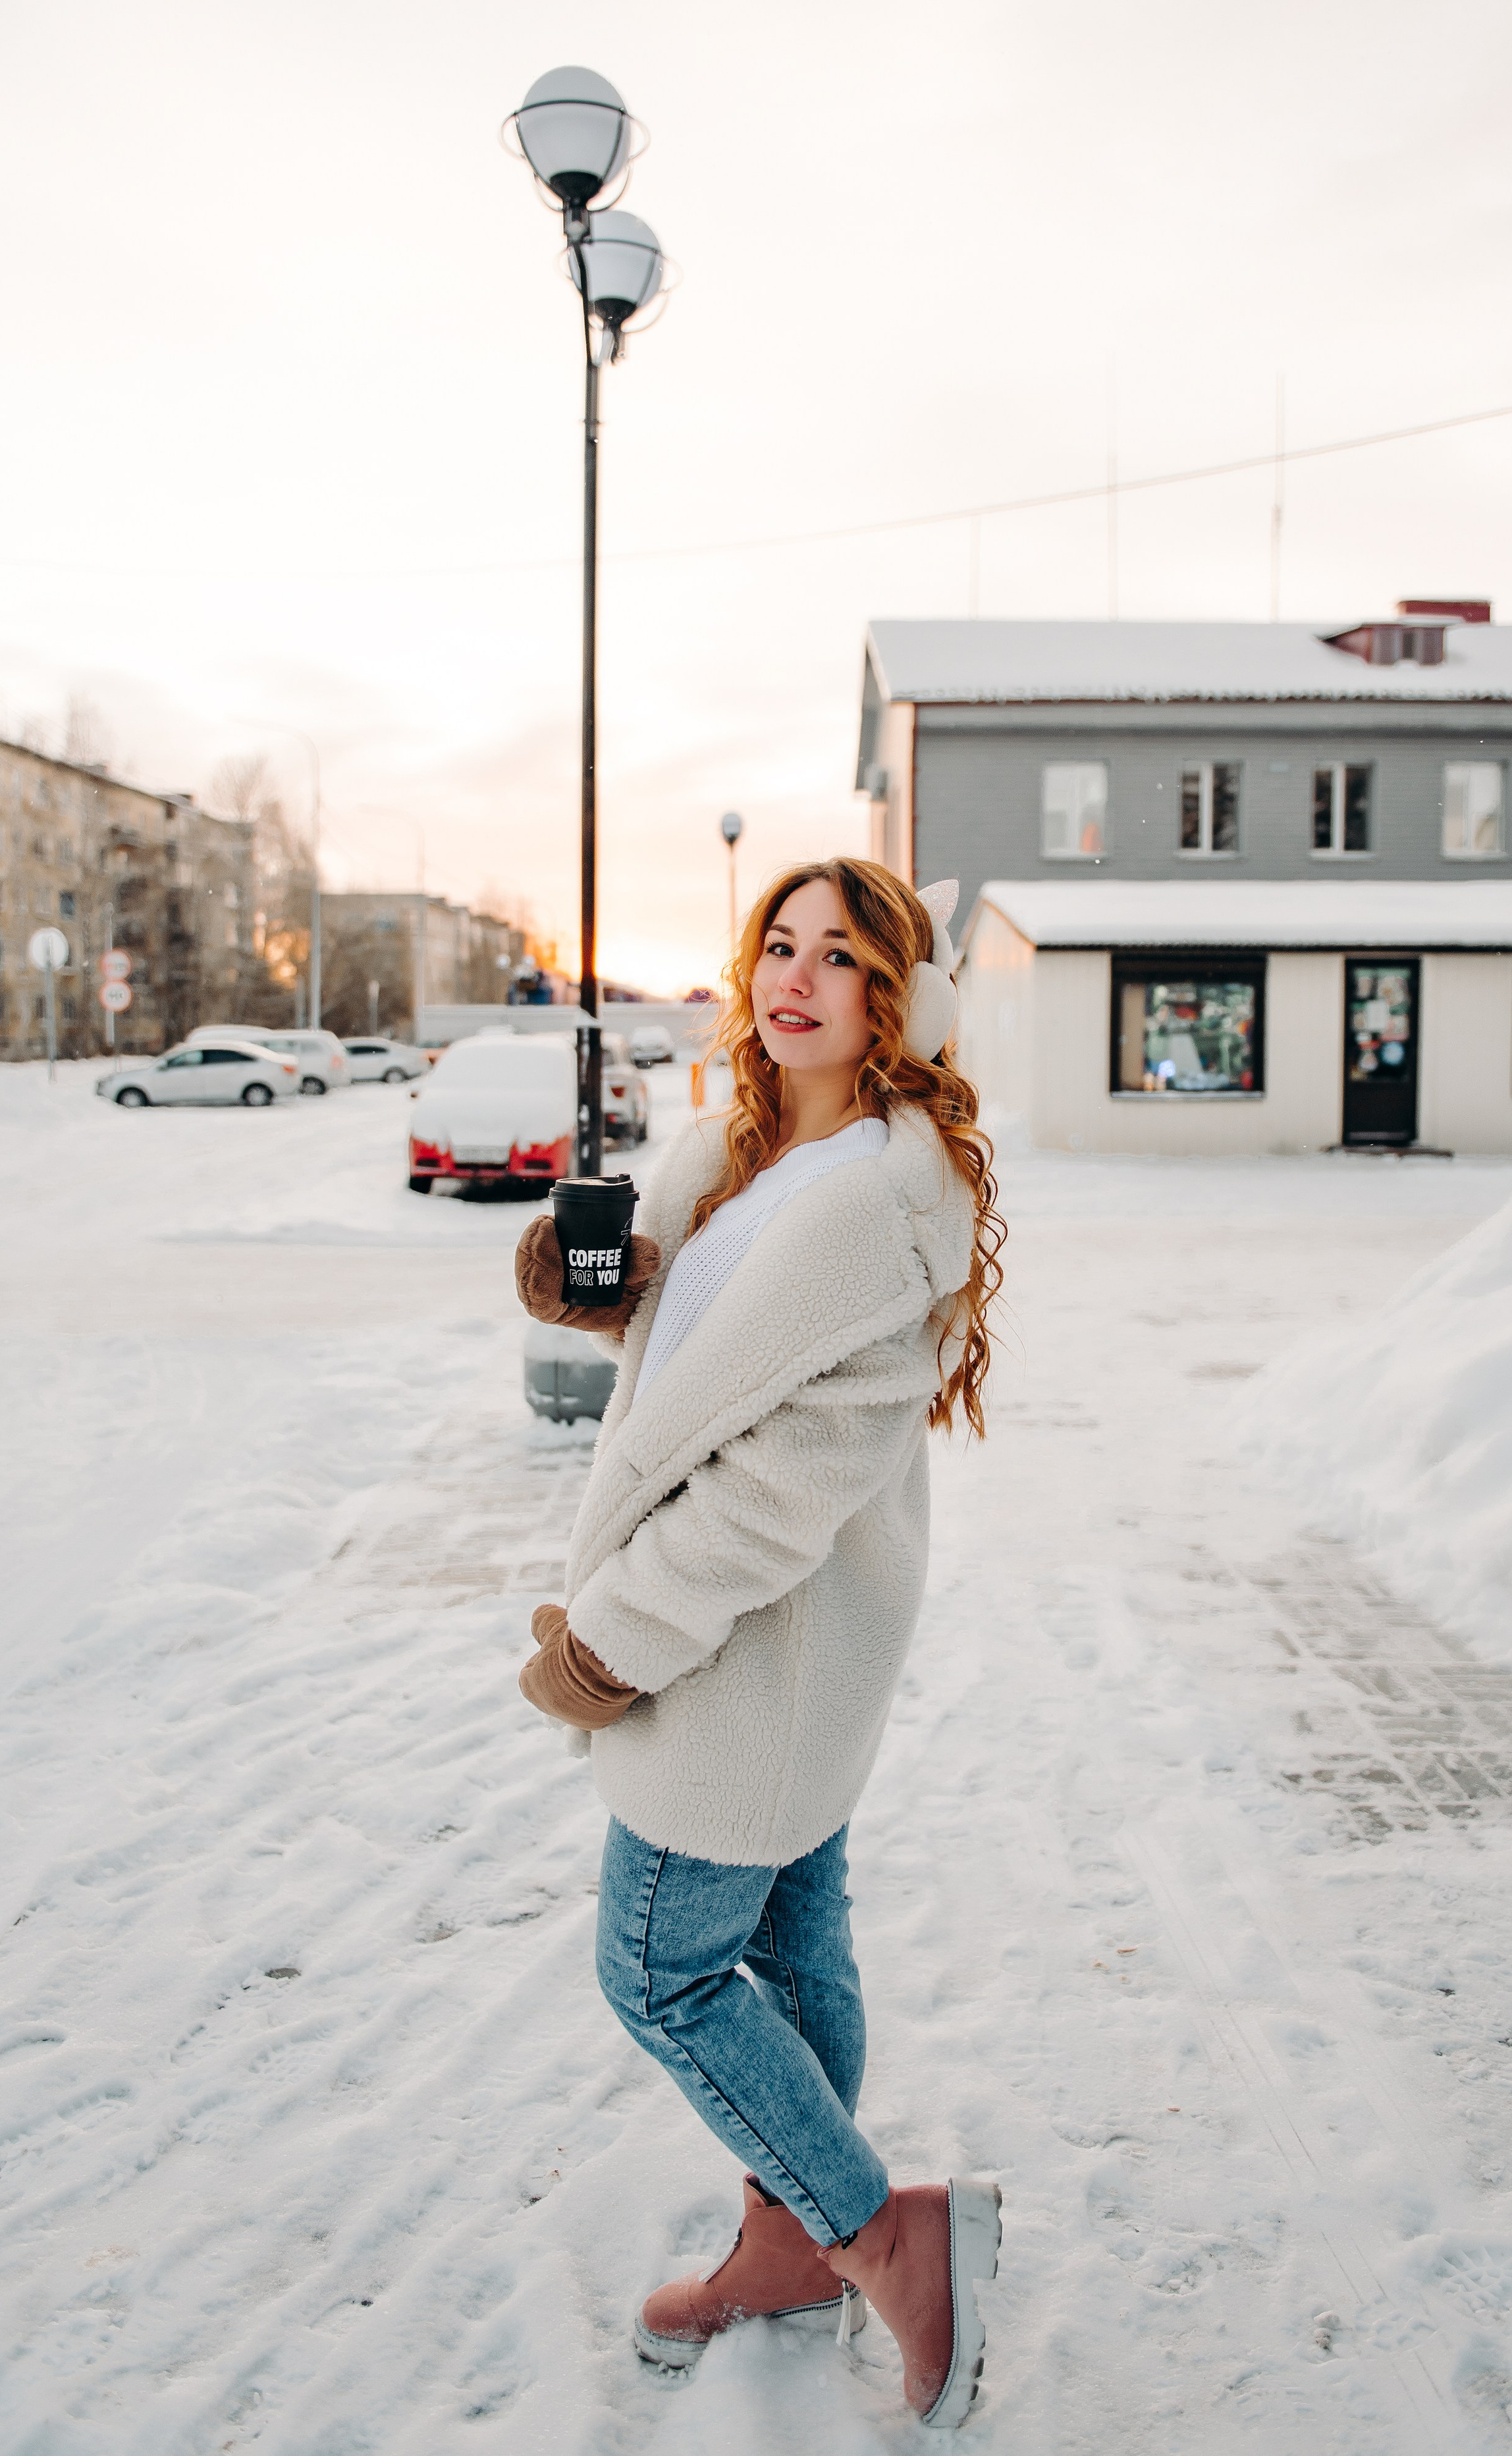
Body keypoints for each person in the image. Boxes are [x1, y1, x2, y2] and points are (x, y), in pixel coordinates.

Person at [513, 859, 1006, 2430]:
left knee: (657, 1966)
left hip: (747, 1648)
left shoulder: (876, 1205)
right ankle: (790, 2244)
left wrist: (606, 1646)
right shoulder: (740, 1134)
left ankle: (878, 2236)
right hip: (789, 1654)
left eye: (841, 957)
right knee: (794, 1944)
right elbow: (697, 1351)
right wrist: (595, 1287)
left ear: (897, 999)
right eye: (777, 946)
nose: (795, 978)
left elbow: (771, 1492)